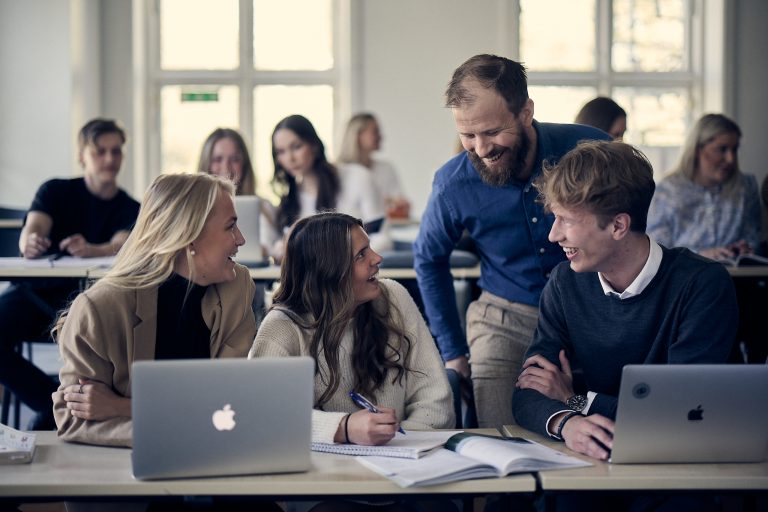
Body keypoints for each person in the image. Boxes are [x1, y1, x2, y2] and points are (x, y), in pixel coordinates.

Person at [513, 140, 737, 512]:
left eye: (566, 220)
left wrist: (576, 400)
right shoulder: (565, 282)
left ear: (618, 225)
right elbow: (527, 390)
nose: (553, 235)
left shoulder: (703, 285)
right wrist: (566, 423)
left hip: (673, 472)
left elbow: (683, 413)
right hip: (587, 463)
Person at [413, 54, 610, 429]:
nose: (481, 148)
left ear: (525, 112)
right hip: (505, 319)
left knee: (602, 427)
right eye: (467, 135)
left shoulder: (592, 151)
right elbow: (428, 259)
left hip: (596, 314)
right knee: (502, 437)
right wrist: (453, 352)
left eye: (491, 132)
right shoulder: (452, 183)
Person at [52, 173, 256, 447]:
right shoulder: (100, 308)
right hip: (126, 472)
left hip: (214, 459)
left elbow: (231, 404)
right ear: (190, 237)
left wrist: (123, 407)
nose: (241, 239)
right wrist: (186, 427)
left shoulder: (237, 288)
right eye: (230, 227)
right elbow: (74, 418)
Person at [250, 212, 453, 447]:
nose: (377, 259)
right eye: (361, 255)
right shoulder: (280, 328)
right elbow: (264, 415)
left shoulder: (394, 298)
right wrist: (343, 429)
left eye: (371, 248)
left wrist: (397, 445)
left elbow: (435, 399)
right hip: (320, 474)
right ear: (329, 273)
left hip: (401, 464)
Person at [0, 118, 140, 430]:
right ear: (82, 155)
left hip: (88, 304)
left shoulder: (131, 207)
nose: (109, 159)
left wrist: (95, 248)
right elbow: (33, 229)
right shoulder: (55, 190)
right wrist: (30, 242)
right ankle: (51, 406)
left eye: (116, 151)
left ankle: (57, 410)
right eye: (99, 151)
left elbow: (120, 243)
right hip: (33, 296)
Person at [266, 115, 384, 260]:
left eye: (296, 147)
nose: (290, 159)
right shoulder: (290, 201)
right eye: (281, 152)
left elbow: (383, 238)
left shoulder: (358, 176)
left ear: (314, 145)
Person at [647, 113, 761, 260]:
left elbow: (754, 237)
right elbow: (656, 248)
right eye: (722, 149)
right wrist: (699, 254)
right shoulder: (667, 191)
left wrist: (745, 248)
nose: (730, 159)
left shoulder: (746, 186)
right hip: (685, 276)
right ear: (697, 149)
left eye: (734, 149)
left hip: (739, 278)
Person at [338, 112, 411, 219]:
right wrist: (386, 201)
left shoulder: (386, 168)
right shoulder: (339, 171)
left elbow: (401, 205)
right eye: (375, 131)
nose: (381, 136)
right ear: (358, 135)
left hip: (381, 232)